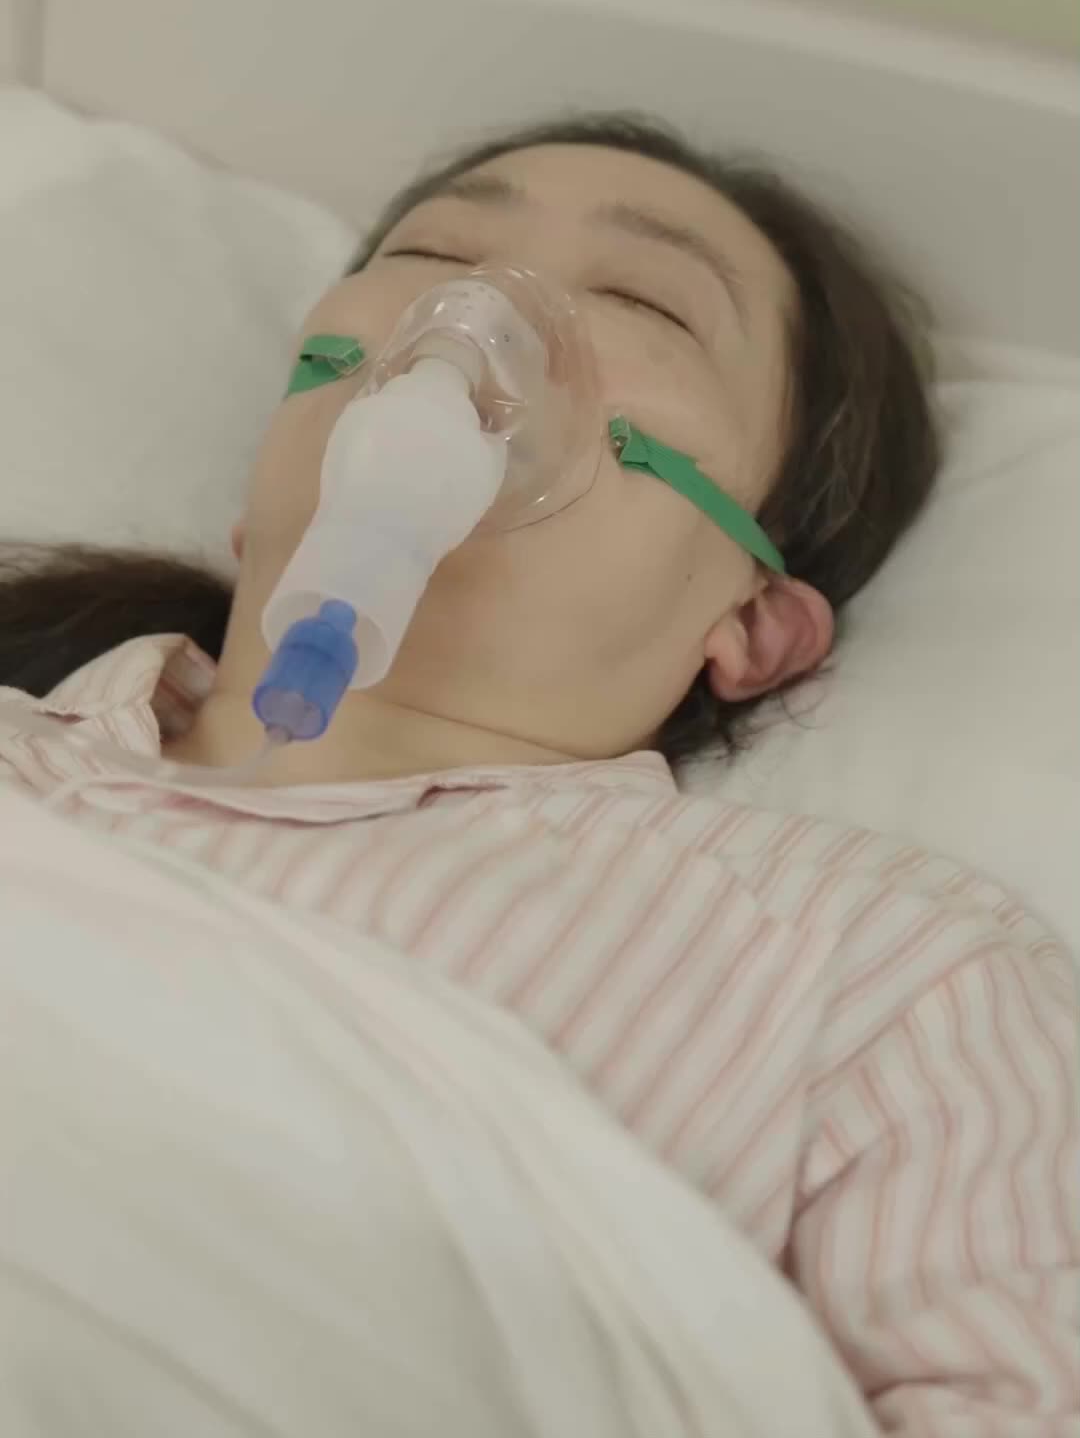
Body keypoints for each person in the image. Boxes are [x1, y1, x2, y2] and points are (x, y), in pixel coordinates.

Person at [1, 112, 1077, 1432]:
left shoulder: (873, 968)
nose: (480, 317)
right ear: (268, 479)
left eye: (643, 301)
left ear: (754, 624)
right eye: (429, 256)